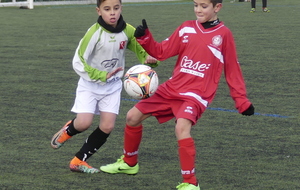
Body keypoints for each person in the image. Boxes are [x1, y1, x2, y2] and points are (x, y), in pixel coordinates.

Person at [100, 0, 255, 189]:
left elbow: (232, 69)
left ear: (217, 7)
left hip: (197, 94)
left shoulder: (224, 34)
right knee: (132, 116)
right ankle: (129, 163)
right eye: (196, 5)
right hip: (172, 88)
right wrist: (145, 38)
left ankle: (191, 182)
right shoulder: (186, 28)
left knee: (181, 128)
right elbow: (162, 52)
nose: (198, 9)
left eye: (204, 6)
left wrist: (241, 101)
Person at [50, 0, 158, 173]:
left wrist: (147, 58)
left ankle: (78, 160)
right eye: (107, 9)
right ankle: (69, 130)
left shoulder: (127, 30)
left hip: (113, 85)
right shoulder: (94, 33)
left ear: (121, 8)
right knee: (84, 123)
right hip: (90, 84)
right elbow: (78, 61)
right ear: (98, 11)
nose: (112, 13)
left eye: (116, 8)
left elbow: (138, 47)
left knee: (107, 126)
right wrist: (100, 75)